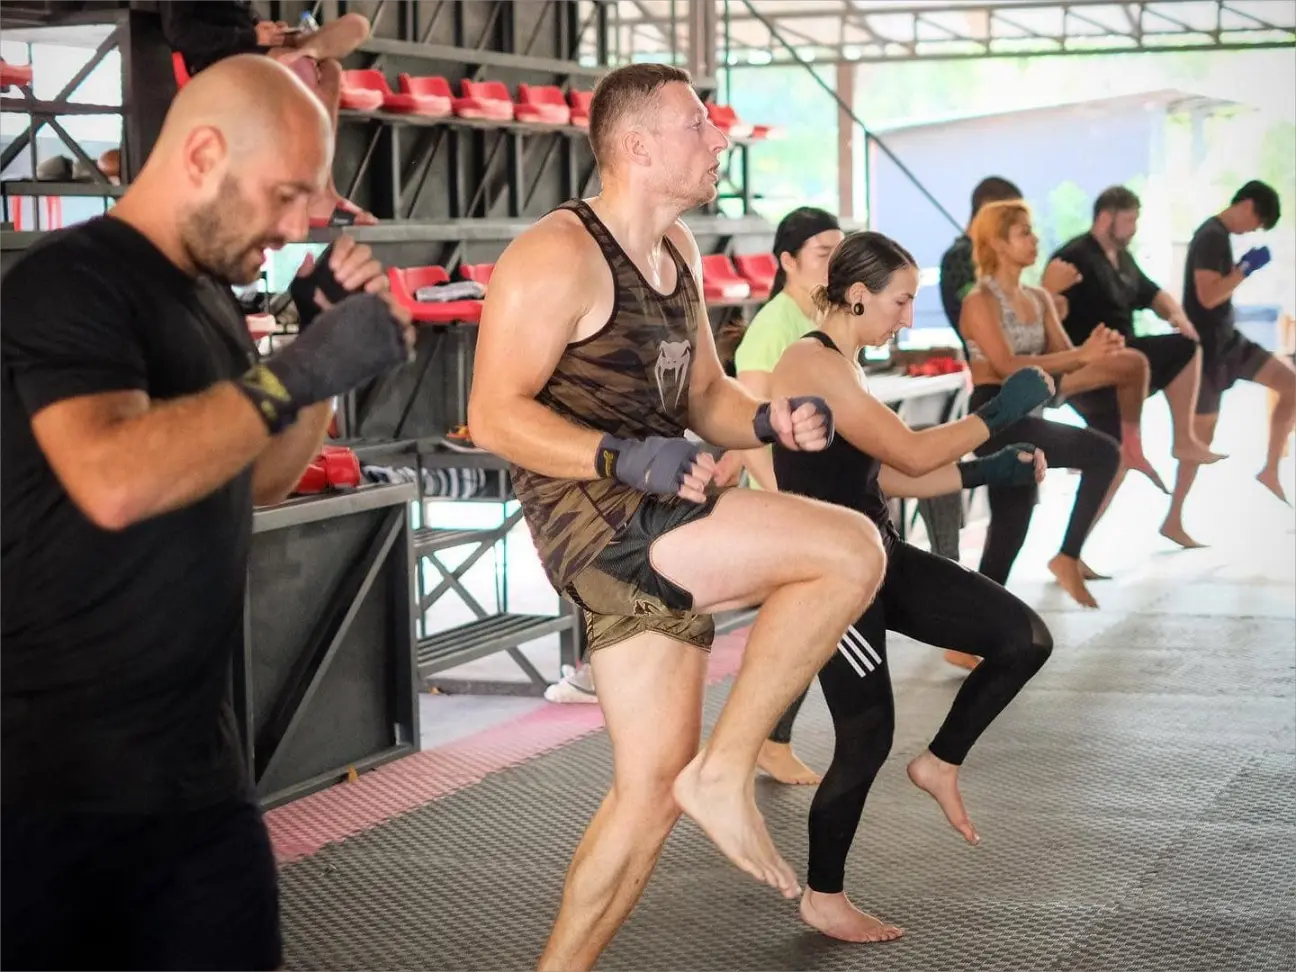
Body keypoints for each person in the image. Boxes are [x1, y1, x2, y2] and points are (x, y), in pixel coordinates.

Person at [467, 63, 888, 971]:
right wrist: (621, 455)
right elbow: (495, 414)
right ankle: (728, 768)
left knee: (649, 794)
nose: (718, 136)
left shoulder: (682, 253)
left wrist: (766, 420)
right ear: (639, 146)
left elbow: (705, 395)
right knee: (851, 548)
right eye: (698, 124)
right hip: (602, 524)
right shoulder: (558, 255)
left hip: (662, 514)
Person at [0, 55, 414, 971]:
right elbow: (113, 476)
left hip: (197, 777)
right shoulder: (70, 285)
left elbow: (255, 474)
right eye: (286, 194)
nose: (301, 224)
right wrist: (297, 371)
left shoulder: (207, 295)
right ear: (201, 154)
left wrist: (318, 359)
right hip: (49, 793)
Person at [770, 229, 1054, 944]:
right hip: (833, 579)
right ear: (858, 293)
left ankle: (939, 762)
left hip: (881, 553)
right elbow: (910, 448)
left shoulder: (849, 365)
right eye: (901, 302)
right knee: (866, 738)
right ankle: (823, 896)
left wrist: (991, 470)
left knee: (1022, 639)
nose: (906, 317)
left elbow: (888, 474)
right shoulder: (811, 360)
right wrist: (998, 414)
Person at [959, 199, 1134, 608]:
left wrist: (1102, 352)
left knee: (1010, 526)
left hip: (1029, 414)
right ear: (999, 245)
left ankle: (966, 637)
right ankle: (1067, 556)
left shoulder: (1038, 298)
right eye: (1023, 233)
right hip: (995, 417)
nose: (1035, 240)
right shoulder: (978, 300)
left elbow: (1067, 360)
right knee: (1104, 452)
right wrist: (1080, 356)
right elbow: (1005, 366)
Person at [729, 205, 844, 786]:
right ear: (788, 262)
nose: (835, 264)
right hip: (788, 504)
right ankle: (761, 742)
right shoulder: (773, 326)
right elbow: (746, 426)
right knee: (810, 628)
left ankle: (766, 740)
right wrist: (782, 496)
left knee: (815, 627)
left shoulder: (829, 321)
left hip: (823, 497)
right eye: (824, 254)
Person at [1051, 185, 1226, 549]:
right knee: (1182, 349)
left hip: (1124, 368)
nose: (1133, 228)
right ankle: (1183, 440)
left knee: (1113, 456)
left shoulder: (1123, 259)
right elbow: (1046, 309)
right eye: (1128, 220)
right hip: (1094, 366)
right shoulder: (1075, 256)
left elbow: (1154, 294)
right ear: (1105, 217)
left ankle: (1071, 553)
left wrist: (1178, 315)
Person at [160, 0, 376, 226]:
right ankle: (317, 195)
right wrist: (250, 36)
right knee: (308, 68)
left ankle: (306, 52)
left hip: (257, 46)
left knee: (354, 29)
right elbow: (180, 33)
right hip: (220, 58)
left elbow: (234, 16)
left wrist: (268, 29)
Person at [1180, 180, 1294, 510]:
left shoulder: (1218, 236)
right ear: (1247, 206)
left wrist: (1238, 270)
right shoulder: (1211, 235)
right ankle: (1174, 517)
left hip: (1229, 340)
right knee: (1200, 441)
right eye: (1256, 222)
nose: (1252, 229)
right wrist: (1245, 270)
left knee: (1290, 384)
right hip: (1210, 350)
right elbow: (1208, 296)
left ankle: (1270, 470)